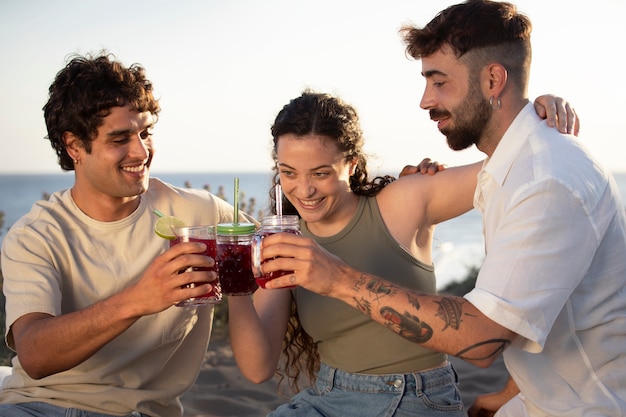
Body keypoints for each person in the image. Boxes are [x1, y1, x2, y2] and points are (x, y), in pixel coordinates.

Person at [259, 2, 626, 416]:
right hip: (540, 399)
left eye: (439, 82)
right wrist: (511, 396)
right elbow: (544, 300)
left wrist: (336, 278)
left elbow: (482, 338)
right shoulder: (511, 167)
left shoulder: (545, 179)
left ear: (492, 79)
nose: (424, 100)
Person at [228, 89, 577, 417]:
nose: (303, 190)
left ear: (351, 164)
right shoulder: (285, 241)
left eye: (321, 173)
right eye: (289, 173)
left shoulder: (401, 202)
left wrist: (537, 116)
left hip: (413, 398)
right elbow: (258, 369)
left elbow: (513, 167)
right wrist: (235, 285)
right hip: (328, 395)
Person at [0, 52, 253, 417]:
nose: (141, 151)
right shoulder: (35, 235)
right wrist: (139, 299)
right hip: (37, 407)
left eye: (146, 132)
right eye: (120, 139)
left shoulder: (198, 213)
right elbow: (35, 354)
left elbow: (281, 249)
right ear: (74, 147)